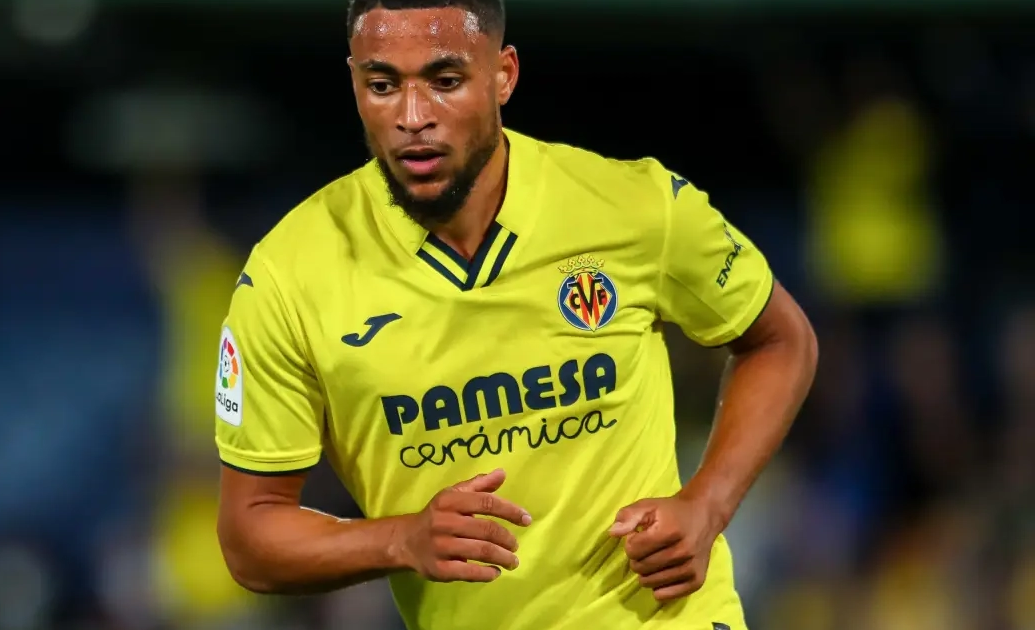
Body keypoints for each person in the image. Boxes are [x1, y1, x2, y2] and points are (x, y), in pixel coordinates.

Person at [214, 1, 818, 628]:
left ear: (503, 75)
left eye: (445, 81)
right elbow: (250, 536)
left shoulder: (635, 207)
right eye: (383, 85)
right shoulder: (288, 274)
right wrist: (399, 539)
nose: (413, 117)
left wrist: (707, 506)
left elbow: (781, 340)